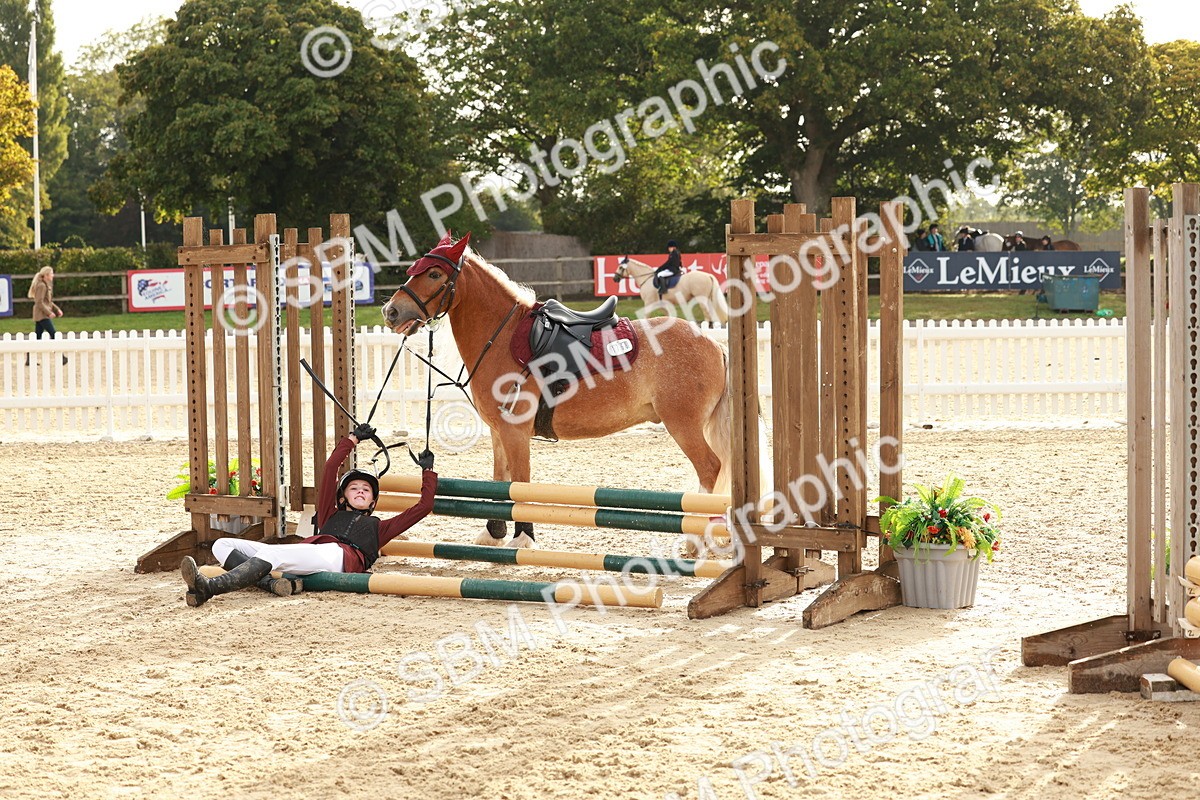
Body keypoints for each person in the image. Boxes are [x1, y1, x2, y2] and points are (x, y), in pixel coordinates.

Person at [180, 424, 438, 607]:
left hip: (337, 559)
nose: (360, 491)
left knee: (270, 554)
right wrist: (352, 439)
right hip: (310, 551)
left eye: (366, 490)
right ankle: (271, 584)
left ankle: (210, 587)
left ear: (372, 500)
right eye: (353, 488)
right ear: (342, 497)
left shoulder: (379, 528)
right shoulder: (329, 513)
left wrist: (427, 471)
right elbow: (330, 469)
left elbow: (423, 507)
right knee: (222, 545)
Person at [27, 266, 64, 366]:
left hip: (42, 315)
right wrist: (49, 313)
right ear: (46, 275)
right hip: (42, 315)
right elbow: (39, 302)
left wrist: (57, 310)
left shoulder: (45, 285)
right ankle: (61, 357)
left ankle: (29, 359)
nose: (53, 275)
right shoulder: (42, 286)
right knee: (54, 334)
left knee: (37, 337)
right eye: (51, 273)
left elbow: (48, 302)